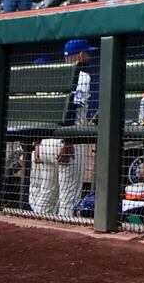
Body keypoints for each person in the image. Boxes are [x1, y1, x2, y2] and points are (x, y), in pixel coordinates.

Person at [29, 39, 96, 218]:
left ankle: (37, 231)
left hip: (45, 143)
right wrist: (68, 141)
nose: (90, 56)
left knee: (47, 196)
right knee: (69, 199)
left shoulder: (51, 74)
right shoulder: (82, 76)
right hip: (68, 142)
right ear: (81, 54)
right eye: (88, 53)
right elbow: (72, 108)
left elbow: (40, 111)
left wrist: (37, 142)